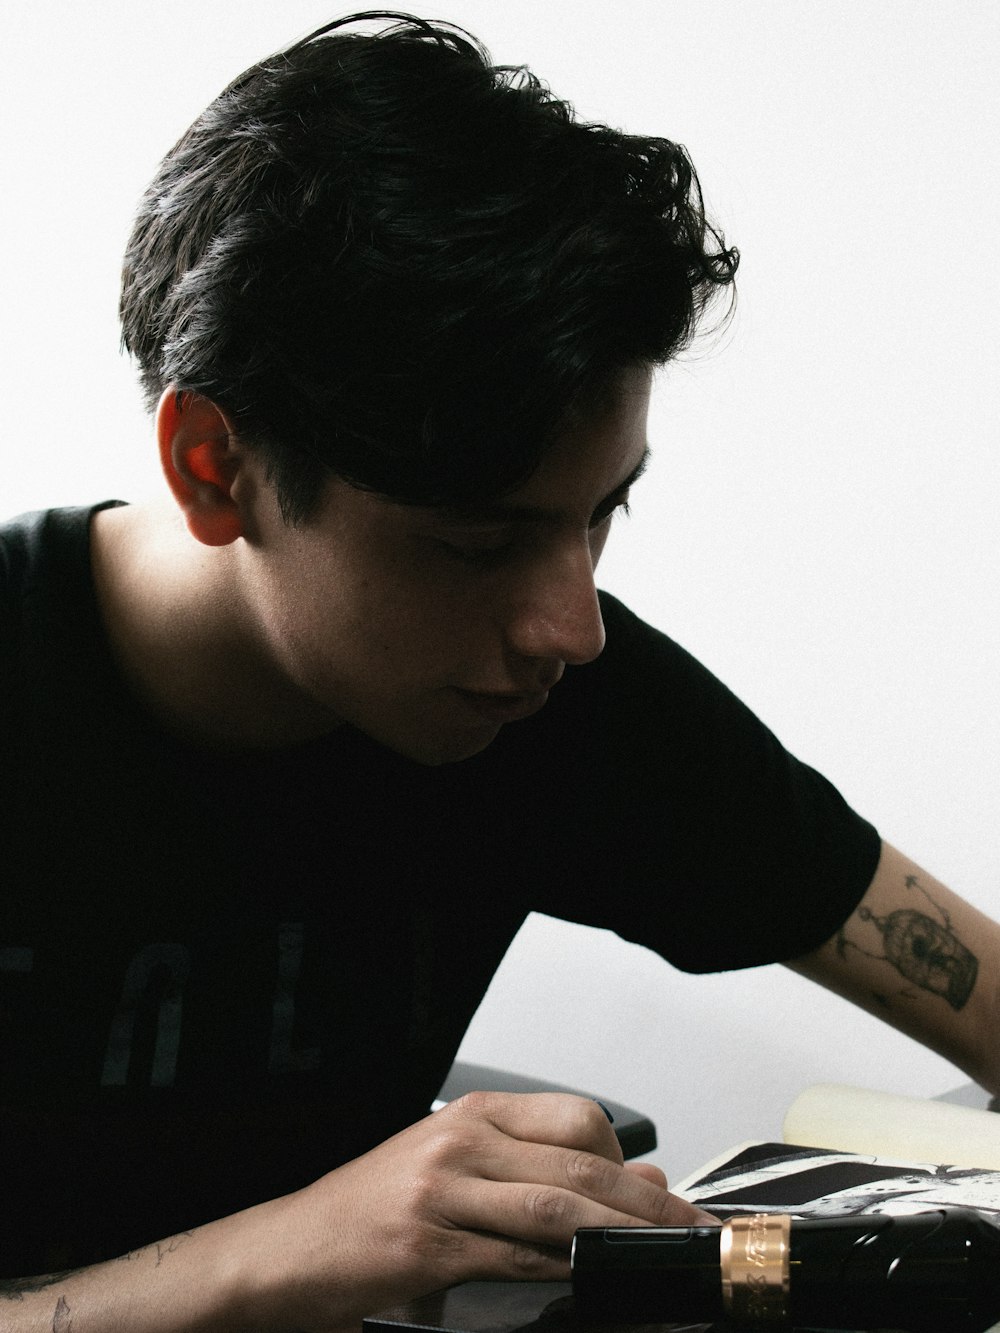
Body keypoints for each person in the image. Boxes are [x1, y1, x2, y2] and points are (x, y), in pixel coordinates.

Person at [1, 10, 997, 1331]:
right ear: (213, 466)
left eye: (601, 514)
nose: (568, 624)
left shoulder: (559, 694)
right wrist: (289, 1246)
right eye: (478, 542)